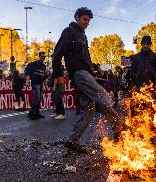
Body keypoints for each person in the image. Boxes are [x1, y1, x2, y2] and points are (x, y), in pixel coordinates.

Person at [52, 7, 123, 152]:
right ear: (77, 17)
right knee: (104, 97)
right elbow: (57, 55)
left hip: (86, 74)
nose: (87, 23)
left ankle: (73, 140)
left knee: (89, 109)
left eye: (89, 21)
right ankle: (120, 129)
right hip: (79, 74)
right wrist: (58, 74)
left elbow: (85, 59)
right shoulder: (69, 31)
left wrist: (94, 70)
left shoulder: (83, 36)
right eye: (85, 19)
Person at [25, 52, 47, 120]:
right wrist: (27, 81)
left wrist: (46, 85)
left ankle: (37, 113)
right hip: (35, 83)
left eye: (44, 56)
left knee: (39, 99)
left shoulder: (44, 66)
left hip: (41, 84)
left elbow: (44, 77)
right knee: (37, 98)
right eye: (42, 56)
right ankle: (31, 112)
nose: (43, 58)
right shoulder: (33, 64)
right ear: (39, 56)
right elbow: (28, 73)